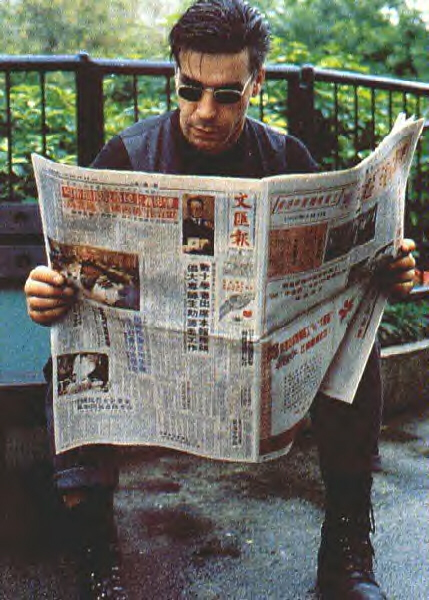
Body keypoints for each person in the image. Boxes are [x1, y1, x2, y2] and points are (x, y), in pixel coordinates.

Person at [24, 1, 416, 598]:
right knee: (72, 367)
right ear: (174, 77)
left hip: (257, 364)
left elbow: (342, 276)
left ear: (256, 84)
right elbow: (70, 272)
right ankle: (96, 561)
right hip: (156, 365)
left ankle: (346, 554)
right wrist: (46, 291)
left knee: (355, 356)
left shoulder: (288, 161)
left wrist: (387, 272)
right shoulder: (128, 157)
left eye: (227, 94)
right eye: (190, 89)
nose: (205, 111)